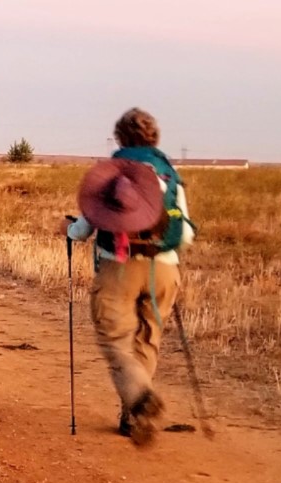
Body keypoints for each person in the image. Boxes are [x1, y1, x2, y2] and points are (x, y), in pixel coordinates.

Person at [66, 107, 196, 447]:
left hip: (118, 267)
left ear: (120, 138)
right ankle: (132, 416)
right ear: (155, 138)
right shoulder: (169, 175)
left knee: (116, 339)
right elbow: (185, 235)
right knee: (147, 339)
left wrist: (68, 229)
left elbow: (83, 229)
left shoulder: (113, 174)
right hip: (164, 270)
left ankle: (139, 397)